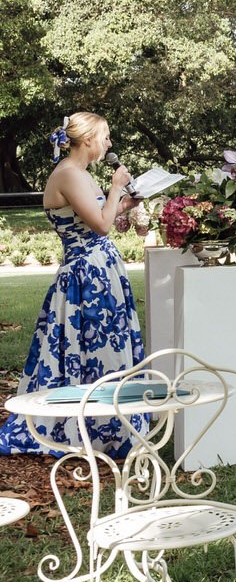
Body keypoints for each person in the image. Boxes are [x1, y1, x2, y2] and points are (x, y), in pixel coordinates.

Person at [0, 113, 144, 456]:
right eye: (105, 136)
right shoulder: (67, 174)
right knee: (90, 348)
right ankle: (87, 427)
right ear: (89, 139)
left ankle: (109, 426)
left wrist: (126, 203)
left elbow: (106, 216)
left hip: (101, 271)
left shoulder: (81, 176)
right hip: (85, 277)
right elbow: (100, 226)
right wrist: (115, 189)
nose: (109, 144)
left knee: (104, 349)